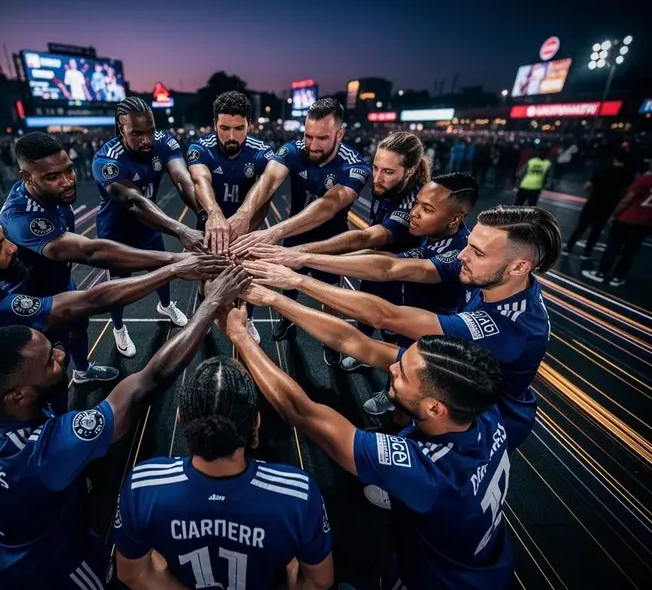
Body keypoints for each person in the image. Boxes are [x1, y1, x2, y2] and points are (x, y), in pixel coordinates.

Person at [0, 266, 248, 590]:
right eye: (49, 361)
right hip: (56, 570)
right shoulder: (45, 451)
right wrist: (210, 304)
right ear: (17, 396)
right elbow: (147, 382)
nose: (61, 354)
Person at [220, 304, 512, 589]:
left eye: (403, 374)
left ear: (435, 408)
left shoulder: (428, 472)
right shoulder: (480, 408)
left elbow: (302, 412)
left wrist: (240, 336)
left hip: (437, 579)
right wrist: (273, 296)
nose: (392, 368)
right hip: (485, 561)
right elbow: (353, 341)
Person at [245, 205, 561, 449]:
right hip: (453, 390)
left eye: (477, 252)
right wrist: (299, 258)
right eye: (469, 244)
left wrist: (297, 280)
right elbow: (390, 267)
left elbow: (385, 316)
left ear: (520, 266)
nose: (463, 254)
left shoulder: (510, 327)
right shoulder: (491, 273)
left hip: (481, 428)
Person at [0, 209, 227, 427]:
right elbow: (91, 300)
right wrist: (175, 269)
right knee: (29, 450)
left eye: (4, 237)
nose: (12, 248)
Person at [113, 355, 334, 590]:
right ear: (256, 422)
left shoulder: (142, 486)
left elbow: (133, 574)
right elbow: (319, 581)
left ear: (180, 418)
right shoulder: (298, 494)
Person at [1, 132, 201, 383]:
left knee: (79, 325)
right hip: (32, 299)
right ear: (27, 177)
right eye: (52, 176)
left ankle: (82, 371)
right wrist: (175, 260)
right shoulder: (22, 218)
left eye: (69, 170)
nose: (67, 182)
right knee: (47, 368)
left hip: (59, 279)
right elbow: (90, 252)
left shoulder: (51, 194)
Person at [251, 171, 478, 386]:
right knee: (395, 359)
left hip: (432, 334)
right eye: (417, 203)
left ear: (454, 219)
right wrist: (303, 258)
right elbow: (384, 257)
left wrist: (301, 261)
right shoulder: (431, 231)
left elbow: (388, 268)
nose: (414, 212)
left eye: (427, 208)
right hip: (412, 310)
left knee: (414, 378)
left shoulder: (457, 254)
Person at [225, 98, 371, 364]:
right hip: (295, 234)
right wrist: (244, 213)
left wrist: (274, 232)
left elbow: (328, 206)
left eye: (322, 138)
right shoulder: (293, 150)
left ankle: (331, 340)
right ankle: (287, 320)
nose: (312, 145)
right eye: (308, 136)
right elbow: (269, 179)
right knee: (285, 282)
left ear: (339, 135)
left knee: (331, 296)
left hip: (330, 242)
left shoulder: (355, 165)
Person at [274, 132, 431, 368]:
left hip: (399, 275)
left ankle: (392, 380)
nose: (377, 178)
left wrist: (302, 253)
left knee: (392, 329)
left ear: (409, 171)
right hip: (374, 262)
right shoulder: (386, 186)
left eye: (388, 172)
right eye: (375, 167)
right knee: (364, 313)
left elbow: (367, 237)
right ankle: (364, 356)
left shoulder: (414, 204)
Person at [92, 97, 205, 358]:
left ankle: (165, 305)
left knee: (161, 270)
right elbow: (134, 202)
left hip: (150, 225)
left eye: (150, 131)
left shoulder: (164, 143)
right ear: (121, 129)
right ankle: (118, 327)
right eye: (137, 134)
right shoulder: (106, 160)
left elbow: (182, 178)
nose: (147, 140)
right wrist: (182, 230)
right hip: (116, 232)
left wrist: (204, 212)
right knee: (118, 285)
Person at [187, 90, 275, 342]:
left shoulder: (263, 152)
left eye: (239, 128)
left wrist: (245, 223)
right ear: (215, 123)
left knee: (248, 276)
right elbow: (200, 180)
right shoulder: (199, 148)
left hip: (247, 228)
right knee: (206, 276)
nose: (232, 136)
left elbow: (265, 193)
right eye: (225, 128)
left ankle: (249, 320)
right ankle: (204, 316)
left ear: (250, 125)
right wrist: (214, 213)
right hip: (210, 226)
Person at [583, 157, 652, 287]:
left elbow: (627, 200)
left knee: (613, 246)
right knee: (631, 251)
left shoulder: (644, 180)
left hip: (628, 218)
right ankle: (618, 276)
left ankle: (602, 272)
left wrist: (614, 214)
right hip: (645, 222)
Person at [563, 150, 635, 260]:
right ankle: (587, 252)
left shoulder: (603, 170)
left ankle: (569, 247)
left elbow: (587, 186)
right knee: (596, 230)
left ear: (614, 159)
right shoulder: (628, 176)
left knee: (581, 227)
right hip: (609, 206)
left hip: (594, 202)